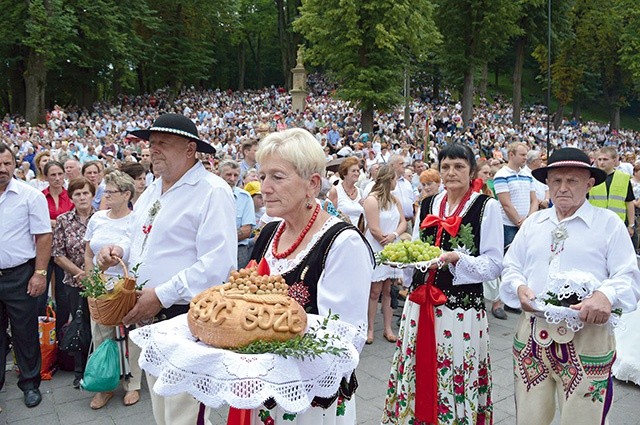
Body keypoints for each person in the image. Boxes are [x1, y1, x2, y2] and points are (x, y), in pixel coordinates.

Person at [96, 113, 236, 425]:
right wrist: (119, 250)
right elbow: (140, 240)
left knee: (186, 415)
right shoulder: (152, 189)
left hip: (186, 319)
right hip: (150, 317)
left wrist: (160, 294)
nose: (153, 149)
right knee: (163, 411)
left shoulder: (212, 190)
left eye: (163, 143)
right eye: (151, 143)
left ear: (190, 149)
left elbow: (218, 265)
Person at [500, 147, 640, 424]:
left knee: (584, 419)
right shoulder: (533, 223)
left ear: (589, 184)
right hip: (533, 333)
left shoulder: (608, 224)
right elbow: (511, 266)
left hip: (588, 335)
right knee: (529, 418)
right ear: (547, 184)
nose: (562, 188)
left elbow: (629, 276)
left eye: (572, 180)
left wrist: (605, 295)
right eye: (556, 181)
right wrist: (518, 287)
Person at [246, 128, 374, 424]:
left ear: (312, 184)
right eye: (262, 176)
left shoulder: (343, 243)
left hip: (312, 404)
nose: (264, 187)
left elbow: (343, 342)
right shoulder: (268, 234)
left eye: (277, 177)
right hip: (263, 391)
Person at [382, 143, 504, 424]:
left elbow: (495, 263)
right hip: (419, 303)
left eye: (459, 166)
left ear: (472, 171)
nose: (451, 173)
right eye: (445, 166)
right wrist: (402, 265)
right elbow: (414, 249)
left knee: (454, 366)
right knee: (418, 367)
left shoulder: (487, 207)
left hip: (459, 310)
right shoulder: (426, 204)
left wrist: (457, 259)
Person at [0, 142, 52, 408]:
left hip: (20, 274)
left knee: (24, 332)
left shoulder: (30, 195)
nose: (3, 169)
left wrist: (40, 273)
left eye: (7, 163)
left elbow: (43, 235)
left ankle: (30, 384)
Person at [83, 170, 139, 409]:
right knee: (101, 336)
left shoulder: (136, 220)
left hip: (127, 285)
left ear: (127, 194)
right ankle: (105, 385)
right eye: (105, 191)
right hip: (100, 286)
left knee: (131, 335)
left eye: (111, 192)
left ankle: (133, 384)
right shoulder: (97, 218)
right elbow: (88, 253)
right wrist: (90, 282)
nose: (106, 195)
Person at [52, 177, 96, 388]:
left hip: (100, 281)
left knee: (100, 327)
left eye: (85, 193)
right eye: (77, 194)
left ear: (93, 195)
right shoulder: (63, 220)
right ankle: (80, 371)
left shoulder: (102, 218)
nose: (82, 197)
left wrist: (92, 275)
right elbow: (58, 254)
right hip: (74, 282)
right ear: (71, 197)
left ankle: (100, 368)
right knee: (80, 326)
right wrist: (81, 274)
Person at [363, 164, 406, 344]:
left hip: (391, 247)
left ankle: (388, 328)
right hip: (376, 247)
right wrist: (384, 239)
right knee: (375, 290)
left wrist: (394, 236)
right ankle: (370, 328)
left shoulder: (395, 200)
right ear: (389, 180)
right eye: (395, 178)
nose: (397, 182)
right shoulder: (371, 200)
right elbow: (373, 228)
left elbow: (403, 222)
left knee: (389, 289)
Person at [40, 160, 75, 324]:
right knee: (40, 294)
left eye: (60, 174)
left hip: (64, 251)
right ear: (46, 177)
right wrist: (58, 222)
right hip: (43, 249)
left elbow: (72, 222)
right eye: (53, 175)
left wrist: (50, 222)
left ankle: (61, 334)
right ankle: (40, 333)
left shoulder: (70, 196)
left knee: (63, 296)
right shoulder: (40, 197)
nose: (57, 178)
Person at [494, 142, 537, 250]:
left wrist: (528, 220)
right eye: (522, 155)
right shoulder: (501, 175)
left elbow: (534, 200)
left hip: (526, 224)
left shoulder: (528, 175)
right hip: (508, 226)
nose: (525, 158)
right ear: (511, 155)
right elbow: (506, 204)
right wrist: (519, 222)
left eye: (526, 155)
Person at [589, 146, 635, 238]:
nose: (602, 162)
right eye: (599, 159)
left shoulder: (624, 178)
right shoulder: (591, 178)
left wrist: (631, 225)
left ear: (614, 161)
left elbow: (629, 202)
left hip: (617, 224)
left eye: (605, 159)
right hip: (595, 223)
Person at [219, 159, 255, 268]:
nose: (232, 179)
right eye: (228, 175)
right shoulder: (208, 195)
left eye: (236, 175)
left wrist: (218, 237)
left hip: (238, 251)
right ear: (218, 174)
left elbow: (246, 231)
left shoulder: (245, 197)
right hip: (213, 250)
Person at [327, 156, 364, 225]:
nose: (357, 173)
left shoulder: (360, 192)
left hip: (359, 233)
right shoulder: (335, 191)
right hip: (342, 232)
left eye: (358, 171)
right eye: (353, 171)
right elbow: (329, 216)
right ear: (344, 173)